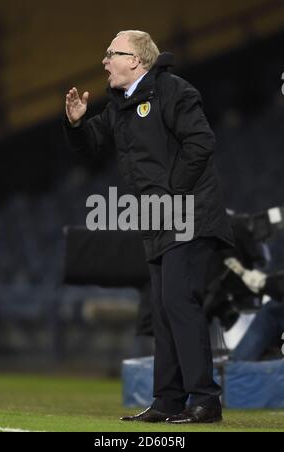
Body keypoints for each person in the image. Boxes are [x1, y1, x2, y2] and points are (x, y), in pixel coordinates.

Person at [64, 30, 234, 424]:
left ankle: (205, 400)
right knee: (160, 308)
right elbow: (90, 144)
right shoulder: (121, 105)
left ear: (136, 60)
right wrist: (75, 125)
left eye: (112, 53)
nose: (105, 60)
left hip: (189, 214)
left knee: (177, 301)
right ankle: (167, 401)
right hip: (157, 221)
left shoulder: (173, 91)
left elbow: (201, 142)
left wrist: (173, 194)